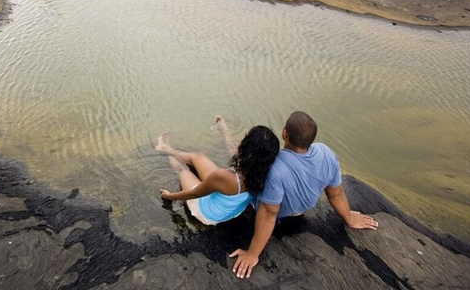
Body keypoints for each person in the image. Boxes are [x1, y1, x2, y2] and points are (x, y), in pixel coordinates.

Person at [229, 111, 379, 279]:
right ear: (312, 138)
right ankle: (223, 131)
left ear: (284, 133)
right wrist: (349, 218)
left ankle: (222, 133)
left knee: (238, 157)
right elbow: (336, 192)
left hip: (276, 214)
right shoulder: (326, 152)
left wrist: (253, 253)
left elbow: (269, 213)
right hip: (299, 210)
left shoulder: (275, 167)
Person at [157, 116, 280, 225]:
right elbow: (234, 153)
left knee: (182, 169)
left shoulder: (224, 177)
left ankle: (166, 149)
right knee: (198, 157)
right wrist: (225, 132)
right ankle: (166, 148)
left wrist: (169, 196)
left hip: (206, 212)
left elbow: (194, 193)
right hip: (228, 207)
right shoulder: (262, 171)